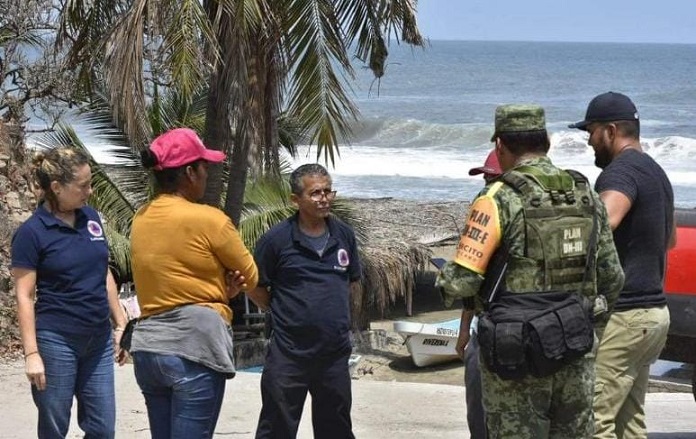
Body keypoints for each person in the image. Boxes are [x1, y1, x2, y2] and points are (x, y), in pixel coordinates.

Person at [437, 104, 624, 438]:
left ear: (500, 146)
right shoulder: (586, 195)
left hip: (515, 361)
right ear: (547, 141)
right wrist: (586, 331)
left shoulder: (496, 198)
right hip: (574, 352)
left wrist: (444, 281)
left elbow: (462, 281)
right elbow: (612, 279)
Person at [128, 127, 259, 439]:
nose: (208, 173)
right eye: (204, 167)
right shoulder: (209, 219)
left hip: (148, 348)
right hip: (193, 346)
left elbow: (169, 276)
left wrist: (215, 285)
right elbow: (251, 275)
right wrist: (225, 285)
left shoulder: (141, 218)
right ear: (189, 172)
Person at [569, 92, 675, 439]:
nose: (588, 140)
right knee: (630, 421)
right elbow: (670, 240)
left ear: (611, 131)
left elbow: (601, 224)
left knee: (592, 421)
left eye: (592, 130)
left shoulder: (621, 172)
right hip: (654, 314)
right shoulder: (656, 172)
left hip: (626, 315)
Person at [11, 146, 128, 438]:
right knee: (54, 427)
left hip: (98, 341)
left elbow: (103, 271)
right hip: (56, 341)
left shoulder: (91, 219)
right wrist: (31, 354)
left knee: (102, 429)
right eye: (83, 185)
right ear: (56, 187)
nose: (90, 191)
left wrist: (121, 323)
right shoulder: (32, 233)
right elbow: (24, 296)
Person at [247, 163, 362, 439]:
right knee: (277, 428)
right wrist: (278, 310)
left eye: (328, 191)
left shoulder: (343, 235)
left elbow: (353, 283)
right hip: (289, 353)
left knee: (336, 428)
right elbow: (254, 285)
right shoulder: (276, 240)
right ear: (295, 200)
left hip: (333, 354)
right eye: (315, 193)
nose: (324, 198)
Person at [459, 150, 503, 439]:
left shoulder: (489, 210)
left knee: (482, 419)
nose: (487, 185)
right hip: (547, 334)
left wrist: (465, 332)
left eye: (491, 177)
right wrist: (464, 330)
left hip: (495, 333)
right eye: (485, 178)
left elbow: (465, 279)